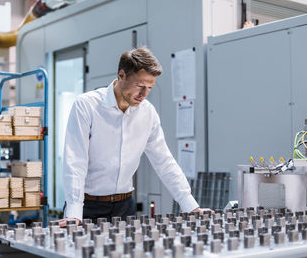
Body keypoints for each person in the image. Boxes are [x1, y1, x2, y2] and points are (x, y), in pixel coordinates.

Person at [60, 47, 210, 227]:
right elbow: (75, 161)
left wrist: (190, 206)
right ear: (121, 76)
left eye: (150, 87)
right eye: (140, 86)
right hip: (87, 207)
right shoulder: (86, 106)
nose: (144, 94)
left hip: (125, 207)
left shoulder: (148, 113)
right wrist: (75, 213)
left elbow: (164, 161)